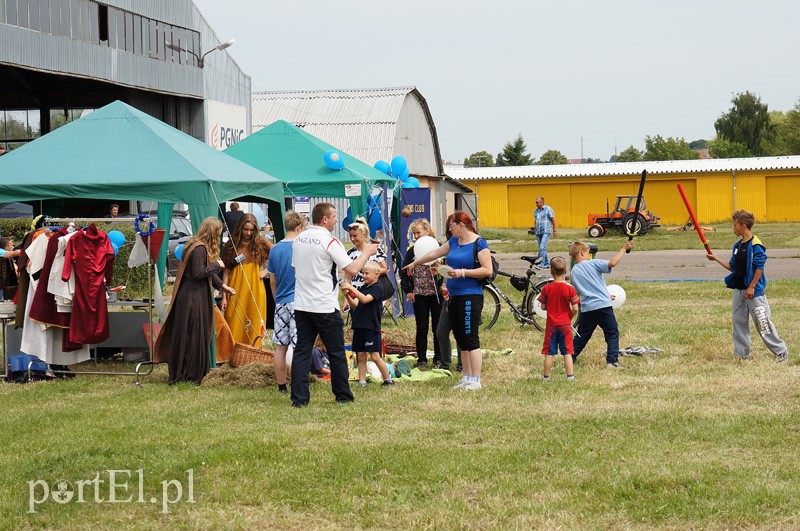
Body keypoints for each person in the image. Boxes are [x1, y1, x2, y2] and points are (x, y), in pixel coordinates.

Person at [290, 202, 379, 407]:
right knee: (336, 352)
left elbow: (296, 271)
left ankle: (299, 399)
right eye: (334, 217)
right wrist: (367, 252)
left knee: (302, 352)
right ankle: (342, 396)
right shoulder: (330, 241)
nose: (337, 220)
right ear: (325, 219)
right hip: (324, 306)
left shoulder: (299, 239)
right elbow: (353, 268)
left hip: (302, 303)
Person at [404, 211, 493, 390]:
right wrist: (415, 263)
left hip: (470, 295)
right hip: (453, 296)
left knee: (470, 337)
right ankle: (467, 377)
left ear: (461, 225)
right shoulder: (454, 242)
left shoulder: (479, 243)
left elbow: (487, 270)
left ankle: (476, 379)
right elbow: (434, 253)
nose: (449, 230)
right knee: (460, 337)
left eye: (450, 226)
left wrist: (462, 272)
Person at [154, 217, 235, 384]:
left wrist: (223, 287)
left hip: (191, 295)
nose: (218, 238)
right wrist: (217, 265)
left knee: (190, 333)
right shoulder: (199, 248)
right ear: (212, 234)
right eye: (218, 235)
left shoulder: (193, 244)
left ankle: (188, 371)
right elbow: (200, 272)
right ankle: (189, 373)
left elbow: (206, 272)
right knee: (192, 333)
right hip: (192, 297)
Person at [705, 210, 788, 362]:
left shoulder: (756, 245)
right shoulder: (737, 245)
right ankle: (742, 355)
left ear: (743, 226)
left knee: (762, 323)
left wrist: (751, 287)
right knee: (739, 322)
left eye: (735, 225)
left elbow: (759, 267)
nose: (733, 228)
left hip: (754, 292)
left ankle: (781, 352)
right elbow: (733, 267)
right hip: (739, 291)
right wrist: (716, 258)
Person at [569, 240, 632, 368]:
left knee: (582, 335)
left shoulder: (574, 272)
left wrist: (604, 294)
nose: (588, 256)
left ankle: (570, 357)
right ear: (582, 253)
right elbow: (612, 263)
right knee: (612, 332)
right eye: (587, 254)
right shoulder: (593, 263)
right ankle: (612, 361)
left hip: (587, 308)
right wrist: (623, 249)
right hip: (603, 306)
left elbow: (581, 290)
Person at [266, 210, 307, 393]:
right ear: (299, 227)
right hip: (298, 301)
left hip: (281, 301)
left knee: (280, 347)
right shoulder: (301, 247)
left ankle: (281, 385)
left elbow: (272, 281)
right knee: (300, 346)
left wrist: (277, 299)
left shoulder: (274, 249)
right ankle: (299, 383)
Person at [220, 213, 272, 347]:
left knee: (254, 321)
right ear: (240, 228)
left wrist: (267, 270)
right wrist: (224, 297)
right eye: (245, 229)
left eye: (251, 230)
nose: (248, 233)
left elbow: (279, 253)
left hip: (255, 290)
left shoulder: (260, 242)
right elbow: (226, 272)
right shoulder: (232, 243)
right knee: (234, 321)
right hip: (235, 289)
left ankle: (253, 354)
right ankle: (233, 353)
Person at [341, 261, 394, 387]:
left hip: (371, 327)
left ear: (376, 275)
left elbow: (364, 300)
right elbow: (356, 304)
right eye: (362, 273)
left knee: (375, 356)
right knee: (360, 356)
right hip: (359, 326)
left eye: (366, 273)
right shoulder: (363, 288)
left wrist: (351, 287)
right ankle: (362, 382)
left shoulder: (377, 288)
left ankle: (388, 379)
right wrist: (347, 296)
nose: (363, 276)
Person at [399, 219, 444, 369]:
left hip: (437, 294)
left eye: (418, 232)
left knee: (438, 328)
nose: (416, 236)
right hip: (419, 295)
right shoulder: (412, 251)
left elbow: (447, 269)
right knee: (421, 328)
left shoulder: (438, 247)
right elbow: (404, 270)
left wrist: (441, 271)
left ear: (427, 231)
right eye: (414, 234)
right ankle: (422, 359)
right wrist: (408, 290)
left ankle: (439, 358)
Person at [537, 256, 580, 381]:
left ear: (551, 271)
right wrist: (569, 316)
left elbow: (543, 306)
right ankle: (570, 376)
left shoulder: (547, 288)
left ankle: (546, 377)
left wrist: (549, 308)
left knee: (549, 352)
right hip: (565, 325)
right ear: (566, 270)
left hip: (551, 325)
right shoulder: (570, 289)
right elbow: (576, 308)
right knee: (567, 352)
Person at [344, 217, 388, 291]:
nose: (352, 239)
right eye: (350, 236)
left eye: (355, 236)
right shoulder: (350, 253)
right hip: (356, 292)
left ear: (363, 235)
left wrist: (371, 273)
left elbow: (385, 268)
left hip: (372, 291)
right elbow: (347, 277)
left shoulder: (375, 249)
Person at [533, 196, 556, 269]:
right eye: (535, 202)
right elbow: (535, 220)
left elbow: (553, 219)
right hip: (538, 232)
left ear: (542, 202)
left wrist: (554, 230)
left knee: (542, 247)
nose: (536, 203)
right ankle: (547, 264)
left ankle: (541, 264)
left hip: (546, 231)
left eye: (537, 202)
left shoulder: (548, 209)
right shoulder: (535, 211)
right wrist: (534, 228)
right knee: (542, 248)